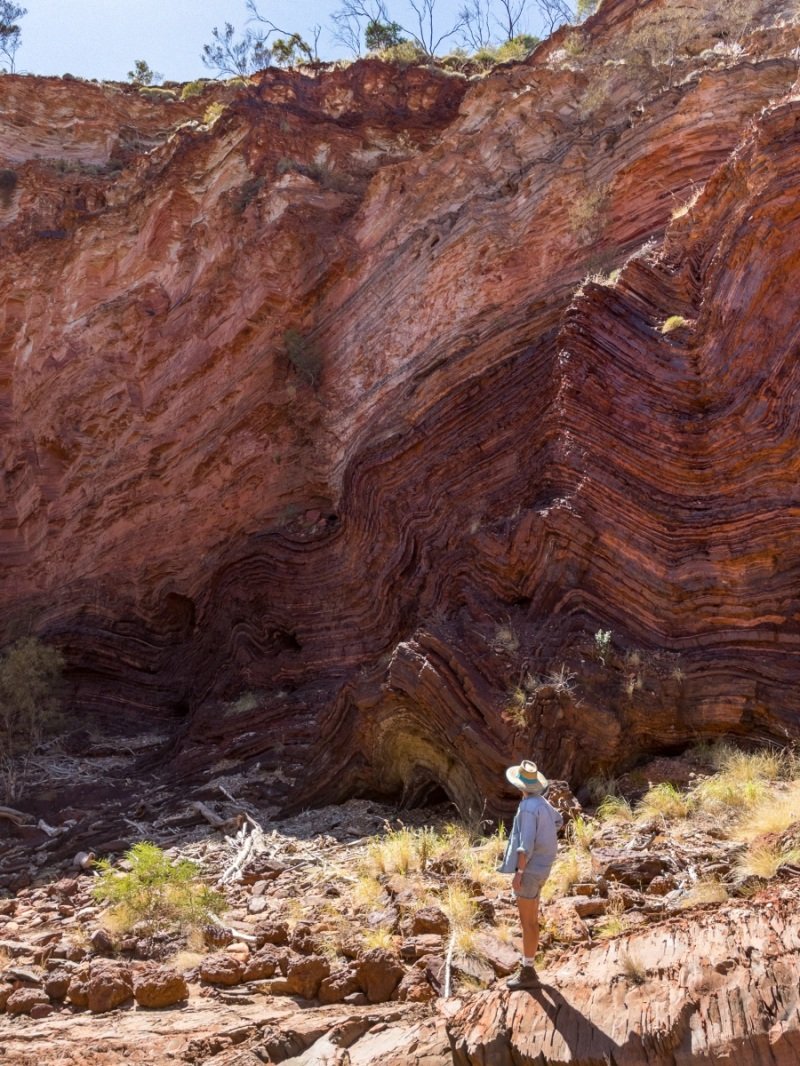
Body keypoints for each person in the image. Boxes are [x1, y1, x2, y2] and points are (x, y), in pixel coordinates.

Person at [498, 758, 563, 990]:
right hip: (543, 868)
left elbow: (525, 846)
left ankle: (528, 972)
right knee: (532, 921)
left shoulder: (527, 807)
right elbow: (558, 820)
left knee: (527, 923)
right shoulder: (542, 802)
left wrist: (519, 872)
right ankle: (529, 965)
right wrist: (545, 837)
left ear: (519, 785)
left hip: (530, 870)